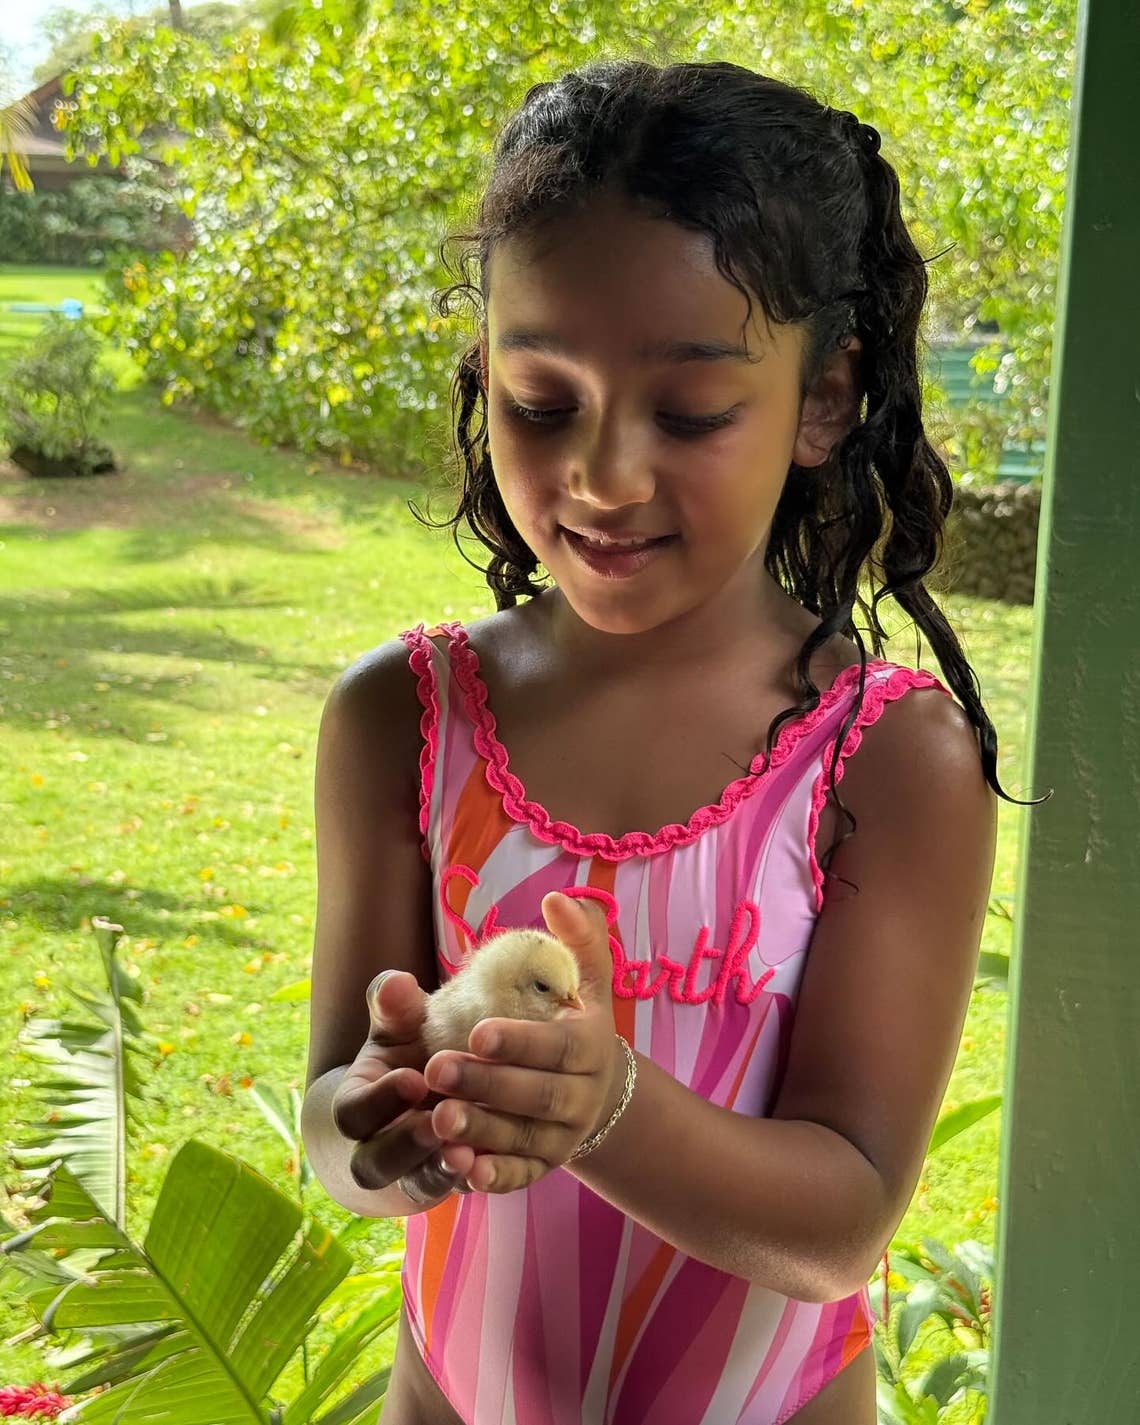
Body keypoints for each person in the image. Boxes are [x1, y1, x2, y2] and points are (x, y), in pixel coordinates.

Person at [300, 58, 1019, 1425]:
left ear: (823, 400)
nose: (602, 473)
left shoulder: (886, 762)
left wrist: (609, 1108)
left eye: (688, 414)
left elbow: (842, 1226)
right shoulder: (404, 717)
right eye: (541, 400)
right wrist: (391, 1129)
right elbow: (336, 1117)